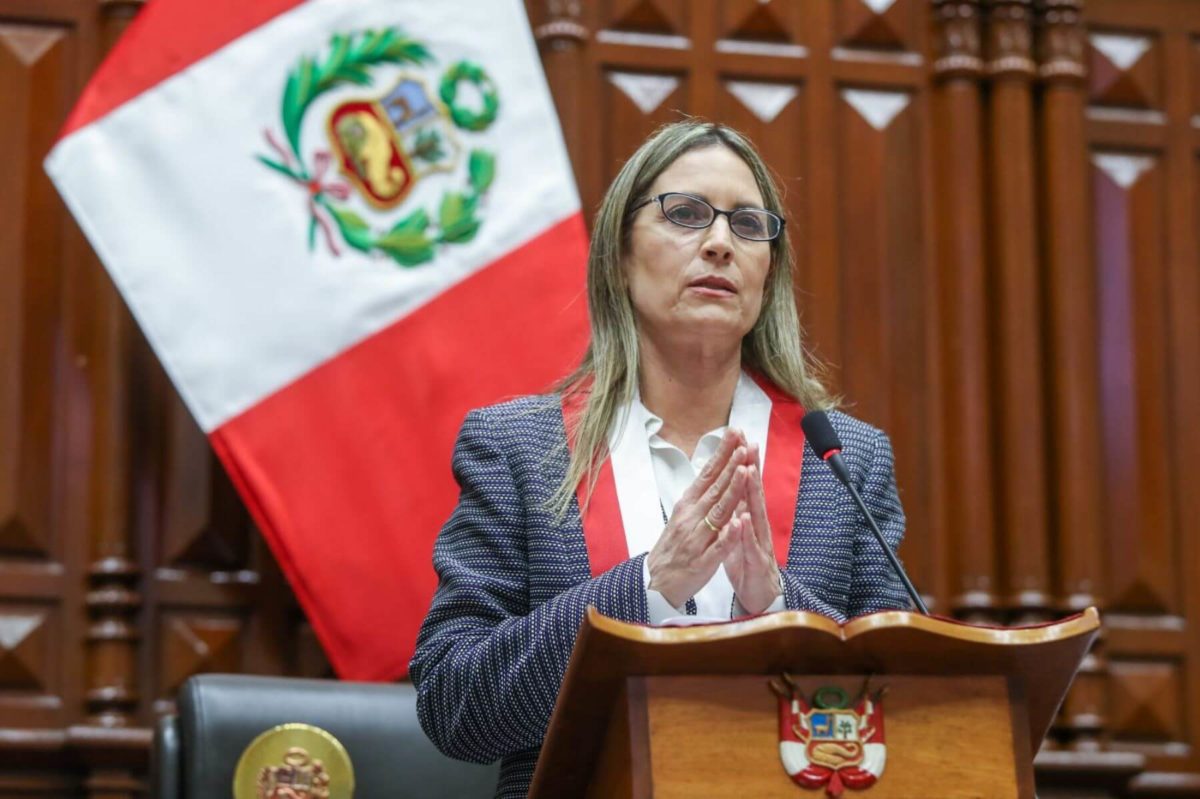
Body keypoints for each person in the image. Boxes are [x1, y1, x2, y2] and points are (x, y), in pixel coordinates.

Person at [409, 120, 911, 797]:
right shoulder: (519, 448)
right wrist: (648, 587)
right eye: (685, 213)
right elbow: (454, 705)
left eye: (747, 225)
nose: (719, 242)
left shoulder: (846, 461)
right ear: (619, 255)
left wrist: (780, 606)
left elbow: (900, 698)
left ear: (769, 273)